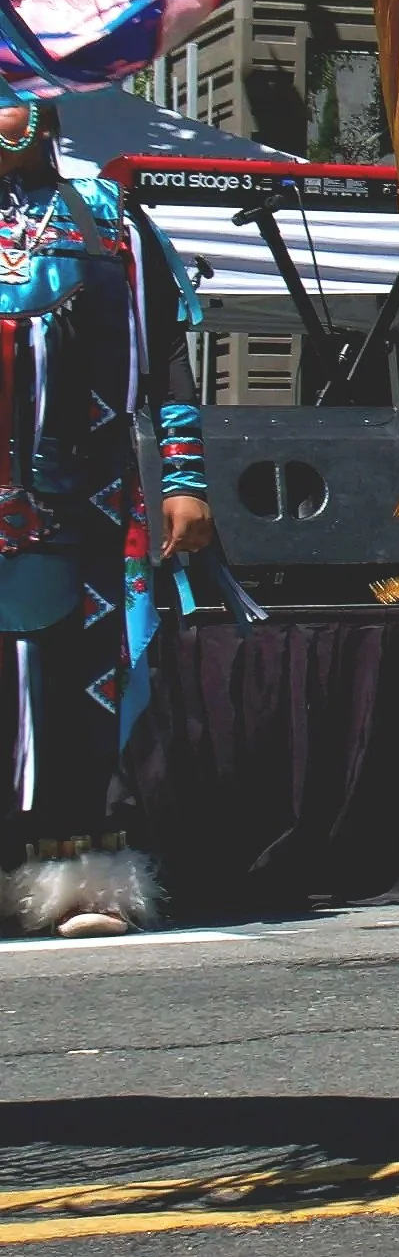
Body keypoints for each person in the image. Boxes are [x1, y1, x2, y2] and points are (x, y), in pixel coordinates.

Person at [0, 94, 215, 935]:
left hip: (81, 496)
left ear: (46, 111)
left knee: (82, 682)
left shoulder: (109, 216)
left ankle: (74, 879)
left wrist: (183, 478)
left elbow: (165, 354)